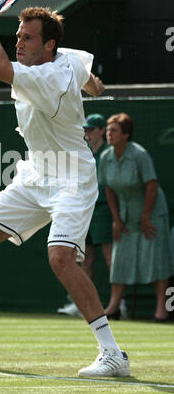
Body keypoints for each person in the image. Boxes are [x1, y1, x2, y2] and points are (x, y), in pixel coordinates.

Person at [0, 6, 130, 378]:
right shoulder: (68, 57)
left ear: (48, 46)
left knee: (60, 258)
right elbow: (88, 76)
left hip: (72, 177)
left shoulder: (49, 77)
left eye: (27, 37)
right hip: (35, 173)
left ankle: (113, 353)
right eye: (16, 36)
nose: (18, 42)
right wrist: (95, 87)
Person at [99, 113, 174, 322]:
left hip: (152, 214)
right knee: (120, 259)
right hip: (125, 216)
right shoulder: (106, 157)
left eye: (114, 130)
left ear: (126, 135)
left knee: (155, 260)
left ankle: (162, 311)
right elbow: (109, 190)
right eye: (107, 130)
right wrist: (116, 219)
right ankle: (113, 307)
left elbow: (152, 186)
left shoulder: (140, 155)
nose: (109, 134)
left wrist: (145, 216)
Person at [58, 113, 124, 319]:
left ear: (102, 131)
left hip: (104, 210)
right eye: (85, 130)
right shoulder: (84, 153)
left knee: (110, 258)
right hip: (85, 210)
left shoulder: (109, 153)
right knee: (84, 259)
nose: (87, 134)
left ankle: (118, 304)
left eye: (91, 129)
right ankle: (80, 304)